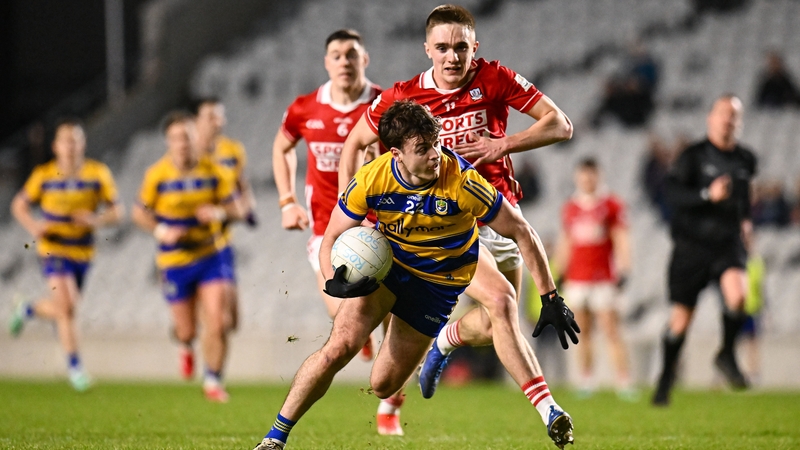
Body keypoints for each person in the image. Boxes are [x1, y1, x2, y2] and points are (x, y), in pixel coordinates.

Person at [254, 100, 578, 450]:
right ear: (396, 154)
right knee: (339, 348)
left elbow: (522, 231)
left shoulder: (463, 182)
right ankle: (275, 438)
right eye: (423, 149)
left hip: (437, 285)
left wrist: (550, 296)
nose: (435, 154)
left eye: (436, 143)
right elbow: (331, 235)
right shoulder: (372, 178)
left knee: (383, 385)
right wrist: (334, 278)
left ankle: (442, 342)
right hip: (389, 267)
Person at [338, 3, 575, 418]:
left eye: (461, 47)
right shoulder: (404, 96)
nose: (453, 57)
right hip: (451, 219)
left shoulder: (494, 78)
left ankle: (445, 340)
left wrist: (502, 144)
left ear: (474, 47)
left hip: (501, 211)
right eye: (443, 48)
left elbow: (560, 124)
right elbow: (355, 142)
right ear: (427, 49)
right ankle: (548, 410)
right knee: (500, 306)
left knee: (495, 324)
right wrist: (350, 207)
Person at [270, 29, 395, 433]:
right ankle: (364, 336)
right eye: (336, 55)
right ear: (326, 62)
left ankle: (390, 405)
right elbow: (281, 147)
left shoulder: (384, 105)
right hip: (329, 230)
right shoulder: (306, 108)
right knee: (344, 316)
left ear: (366, 59)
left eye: (351, 54)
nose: (344, 61)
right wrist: (287, 201)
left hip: (382, 227)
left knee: (396, 315)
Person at [132, 111, 245, 402]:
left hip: (210, 254)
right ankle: (185, 345)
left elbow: (238, 209)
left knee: (218, 321)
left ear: (197, 138)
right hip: (174, 260)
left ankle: (213, 380)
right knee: (186, 330)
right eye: (176, 138)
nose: (182, 143)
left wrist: (219, 212)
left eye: (187, 137)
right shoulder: (156, 175)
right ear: (168, 142)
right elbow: (138, 212)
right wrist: (161, 231)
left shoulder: (214, 170)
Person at [652, 94, 757, 406]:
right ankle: (666, 377)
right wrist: (706, 194)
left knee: (739, 295)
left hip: (727, 243)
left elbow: (744, 195)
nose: (728, 120)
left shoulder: (746, 159)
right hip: (691, 246)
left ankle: (726, 354)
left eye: (734, 115)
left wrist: (747, 220)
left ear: (739, 122)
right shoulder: (692, 157)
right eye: (724, 113)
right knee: (680, 322)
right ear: (711, 118)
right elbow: (672, 194)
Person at [8, 118, 124, 391]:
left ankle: (27, 308)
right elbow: (19, 205)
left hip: (83, 252)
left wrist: (96, 220)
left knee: (65, 310)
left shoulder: (97, 174)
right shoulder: (44, 176)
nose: (70, 147)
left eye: (75, 140)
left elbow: (117, 212)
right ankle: (75, 368)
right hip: (54, 248)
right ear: (56, 146)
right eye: (65, 141)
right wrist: (34, 226)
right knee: (68, 306)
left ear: (83, 144)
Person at [553, 158, 634, 399]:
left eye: (591, 175)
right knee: (583, 330)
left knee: (611, 328)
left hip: (603, 277)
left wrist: (625, 267)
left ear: (598, 176)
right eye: (583, 175)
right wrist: (559, 269)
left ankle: (623, 380)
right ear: (578, 177)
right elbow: (566, 240)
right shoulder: (571, 207)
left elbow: (621, 237)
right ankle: (586, 379)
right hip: (577, 277)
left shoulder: (610, 204)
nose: (587, 180)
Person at [192, 97, 256, 370]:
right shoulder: (187, 154)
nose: (216, 122)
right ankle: (212, 377)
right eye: (210, 116)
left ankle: (189, 337)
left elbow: (243, 191)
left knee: (232, 322)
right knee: (215, 320)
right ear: (195, 120)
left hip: (221, 242)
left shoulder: (232, 151)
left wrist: (244, 210)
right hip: (191, 246)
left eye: (220, 116)